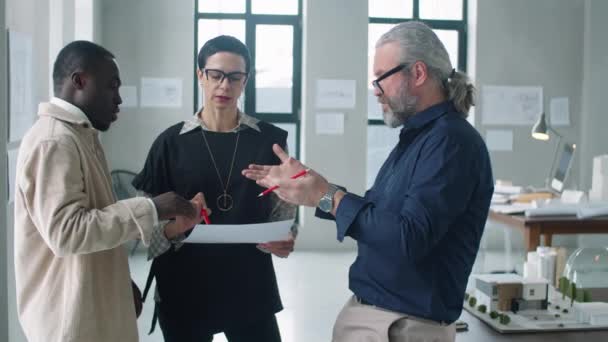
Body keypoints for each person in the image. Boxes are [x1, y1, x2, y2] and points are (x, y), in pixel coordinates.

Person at [243, 21, 494, 342]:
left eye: (381, 78)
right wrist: (315, 193)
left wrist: (328, 196)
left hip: (402, 325)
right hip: (380, 315)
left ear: (417, 73)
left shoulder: (451, 143)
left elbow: (408, 238)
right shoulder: (420, 138)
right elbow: (379, 215)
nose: (376, 89)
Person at [13, 40, 206, 342]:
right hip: (70, 324)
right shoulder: (54, 141)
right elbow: (67, 232)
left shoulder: (80, 136)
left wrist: (118, 280)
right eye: (111, 87)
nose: (118, 99)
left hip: (89, 311)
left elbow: (94, 221)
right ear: (79, 81)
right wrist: (153, 208)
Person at [132, 35, 296, 342]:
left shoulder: (269, 141)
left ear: (246, 80)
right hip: (184, 285)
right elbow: (144, 232)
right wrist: (174, 228)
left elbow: (285, 215)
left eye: (235, 77)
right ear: (200, 75)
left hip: (249, 284)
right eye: (215, 75)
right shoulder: (169, 143)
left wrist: (287, 239)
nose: (224, 85)